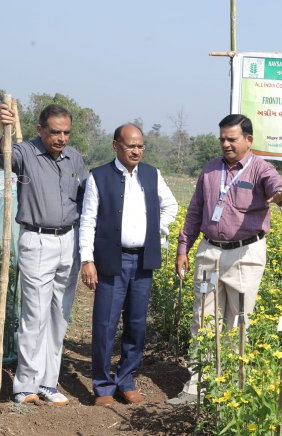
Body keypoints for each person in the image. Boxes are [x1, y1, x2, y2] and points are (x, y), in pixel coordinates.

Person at [167, 114, 282, 404]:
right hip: (210, 253)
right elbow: (195, 210)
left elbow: (276, 185)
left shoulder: (260, 168)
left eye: (232, 139)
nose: (226, 144)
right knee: (203, 319)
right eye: (222, 138)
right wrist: (183, 247)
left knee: (238, 322)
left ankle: (232, 391)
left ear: (248, 140)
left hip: (244, 255)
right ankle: (196, 388)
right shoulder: (211, 169)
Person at [78, 123, 177, 406]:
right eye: (130, 145)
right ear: (115, 145)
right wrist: (87, 259)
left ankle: (127, 380)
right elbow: (88, 220)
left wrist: (156, 229)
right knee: (105, 323)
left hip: (143, 260)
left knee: (136, 323)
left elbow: (171, 206)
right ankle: (103, 386)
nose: (136, 150)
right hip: (112, 259)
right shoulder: (99, 177)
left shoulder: (152, 174)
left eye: (140, 146)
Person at [0, 102, 88, 405]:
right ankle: (25, 385)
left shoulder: (74, 157)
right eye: (54, 132)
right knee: (35, 314)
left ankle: (49, 382)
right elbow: (5, 155)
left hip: (68, 241)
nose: (61, 138)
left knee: (59, 315)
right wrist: (5, 132)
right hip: (37, 240)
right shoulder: (25, 152)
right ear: (40, 130)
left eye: (66, 133)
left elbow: (85, 196)